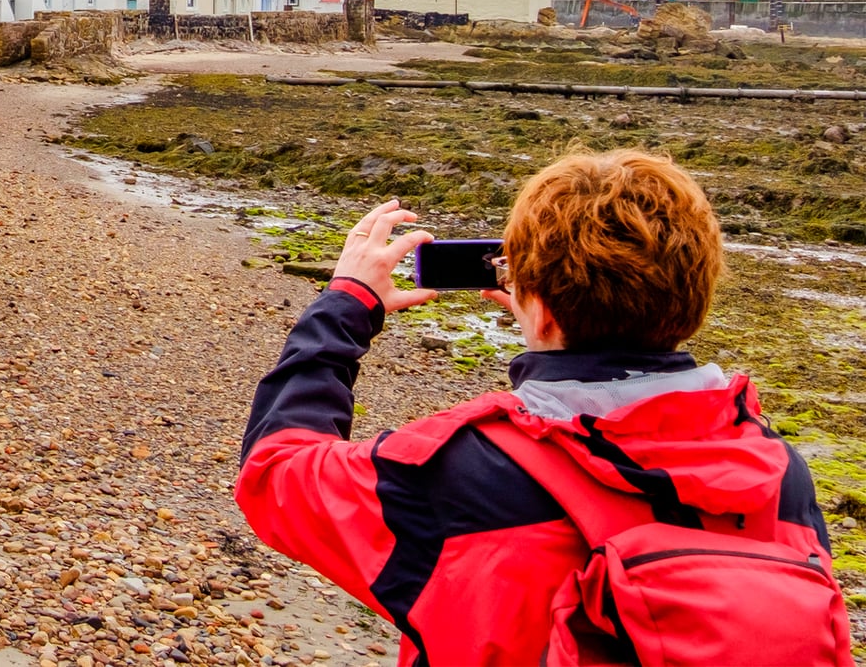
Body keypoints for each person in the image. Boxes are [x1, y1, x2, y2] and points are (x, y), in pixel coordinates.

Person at [237, 150, 847, 666]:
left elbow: (276, 472)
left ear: (541, 306)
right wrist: (552, 318)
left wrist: (345, 305)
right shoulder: (774, 466)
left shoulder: (460, 468)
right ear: (695, 298)